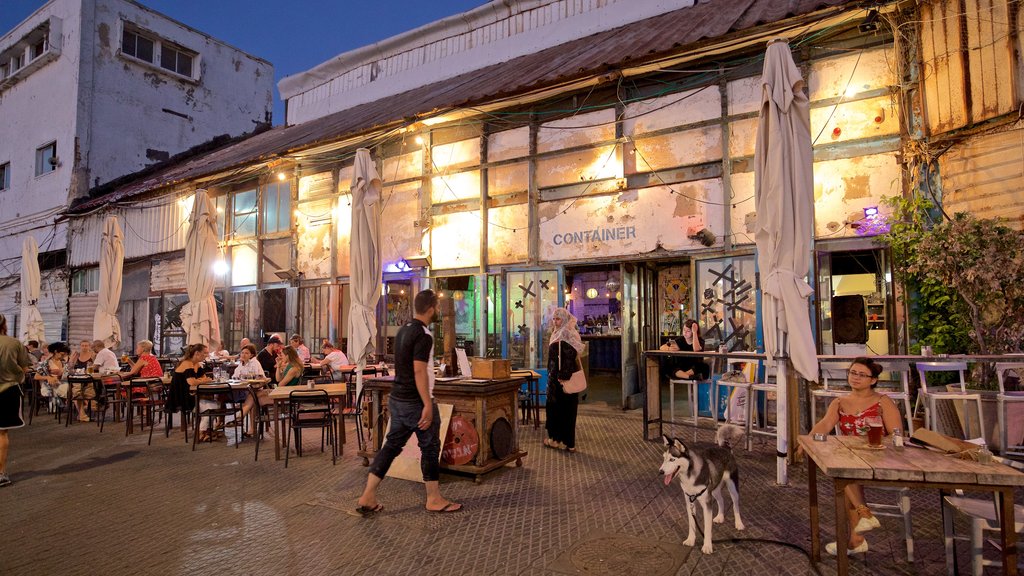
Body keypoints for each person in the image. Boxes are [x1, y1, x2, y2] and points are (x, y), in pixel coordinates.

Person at [355, 289, 462, 516]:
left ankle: (368, 495)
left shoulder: (403, 330)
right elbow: (419, 370)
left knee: (391, 447)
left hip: (398, 399)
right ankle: (433, 498)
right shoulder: (424, 335)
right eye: (437, 309)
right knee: (431, 447)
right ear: (431, 309)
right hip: (415, 402)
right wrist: (426, 404)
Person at [803, 357, 902, 555]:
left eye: (862, 375)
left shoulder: (883, 402)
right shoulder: (840, 402)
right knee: (843, 471)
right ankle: (859, 529)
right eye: (852, 373)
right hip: (852, 457)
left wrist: (876, 444)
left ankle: (859, 530)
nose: (855, 377)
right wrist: (806, 441)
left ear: (873, 380)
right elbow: (825, 425)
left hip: (879, 455)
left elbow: (896, 434)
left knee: (842, 473)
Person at [544, 307, 584, 453]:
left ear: (565, 319)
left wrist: (562, 377)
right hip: (558, 378)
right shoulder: (559, 333)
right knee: (563, 410)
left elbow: (568, 358)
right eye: (554, 319)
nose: (555, 321)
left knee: (561, 410)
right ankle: (560, 440)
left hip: (561, 380)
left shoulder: (565, 333)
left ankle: (561, 440)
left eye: (558, 318)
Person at [0, 314, 32, 487]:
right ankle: (1, 473)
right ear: (4, 324)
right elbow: (25, 368)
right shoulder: (14, 343)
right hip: (8, 389)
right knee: (2, 433)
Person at [167, 344, 212, 438]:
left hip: (191, 395)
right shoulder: (187, 363)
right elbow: (191, 382)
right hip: (182, 398)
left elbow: (203, 378)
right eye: (204, 353)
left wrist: (200, 381)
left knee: (216, 405)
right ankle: (201, 432)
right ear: (197, 353)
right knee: (211, 407)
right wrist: (202, 381)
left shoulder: (197, 364)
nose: (206, 355)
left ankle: (204, 431)